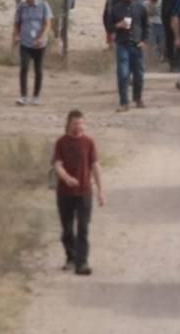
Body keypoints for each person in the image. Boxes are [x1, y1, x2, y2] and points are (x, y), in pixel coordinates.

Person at [51, 110, 104, 276]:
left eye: (81, 123)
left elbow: (95, 166)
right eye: (75, 123)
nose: (79, 126)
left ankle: (82, 263)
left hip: (84, 192)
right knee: (67, 230)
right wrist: (66, 178)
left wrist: (100, 191)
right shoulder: (61, 142)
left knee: (83, 228)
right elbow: (57, 165)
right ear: (68, 123)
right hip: (65, 193)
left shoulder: (88, 142)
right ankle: (71, 257)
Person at [109, 0, 148, 111]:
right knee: (123, 74)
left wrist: (144, 40)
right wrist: (118, 25)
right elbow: (109, 26)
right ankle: (124, 102)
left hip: (137, 45)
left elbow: (146, 25)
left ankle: (138, 98)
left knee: (139, 74)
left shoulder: (140, 7)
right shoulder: (115, 9)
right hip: (123, 45)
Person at [13, 0, 53, 106]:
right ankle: (23, 96)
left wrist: (42, 37)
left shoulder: (43, 5)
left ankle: (36, 96)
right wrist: (16, 35)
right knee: (24, 67)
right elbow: (17, 23)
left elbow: (47, 24)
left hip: (39, 44)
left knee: (38, 70)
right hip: (25, 42)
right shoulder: (21, 7)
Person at [144, 0, 165, 66]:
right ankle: (152, 60)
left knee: (161, 43)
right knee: (152, 43)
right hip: (151, 24)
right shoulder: (146, 3)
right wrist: (151, 5)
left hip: (161, 24)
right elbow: (146, 14)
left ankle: (160, 58)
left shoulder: (162, 2)